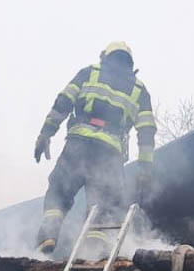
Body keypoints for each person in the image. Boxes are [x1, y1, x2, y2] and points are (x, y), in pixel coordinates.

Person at [34, 42, 157, 257]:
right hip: (109, 152)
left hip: (78, 145)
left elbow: (63, 102)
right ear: (130, 63)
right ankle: (92, 252)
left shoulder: (89, 73)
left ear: (105, 57)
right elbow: (146, 130)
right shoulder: (139, 90)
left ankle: (49, 234)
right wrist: (145, 168)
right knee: (103, 205)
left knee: (59, 190)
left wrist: (45, 134)